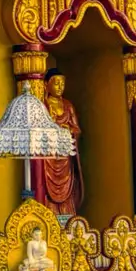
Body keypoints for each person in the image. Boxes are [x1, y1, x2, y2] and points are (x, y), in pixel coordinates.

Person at [40, 73, 85, 219]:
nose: (60, 87)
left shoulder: (67, 106)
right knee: (46, 187)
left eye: (62, 83)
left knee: (66, 189)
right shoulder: (43, 105)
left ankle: (66, 216)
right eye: (56, 83)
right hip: (49, 158)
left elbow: (77, 129)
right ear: (46, 85)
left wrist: (68, 130)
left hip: (64, 157)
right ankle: (50, 216)